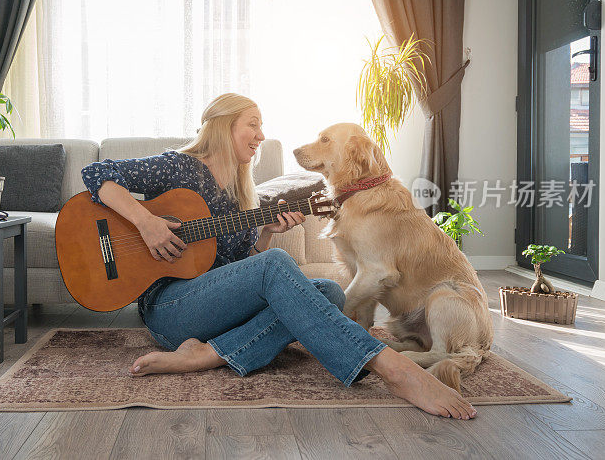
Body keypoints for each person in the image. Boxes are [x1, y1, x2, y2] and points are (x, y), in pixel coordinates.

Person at [81, 93, 477, 419]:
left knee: (330, 293)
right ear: (223, 125)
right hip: (169, 307)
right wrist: (145, 221)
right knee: (278, 269)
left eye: (261, 125)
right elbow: (96, 174)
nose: (261, 134)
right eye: (252, 123)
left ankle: (210, 353)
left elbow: (240, 268)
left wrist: (267, 231)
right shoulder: (178, 167)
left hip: (213, 314)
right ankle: (392, 369)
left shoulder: (241, 190)